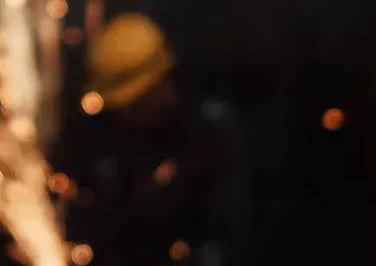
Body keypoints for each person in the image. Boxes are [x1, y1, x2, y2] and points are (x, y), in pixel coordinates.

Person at [64, 14, 249, 265]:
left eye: (133, 103)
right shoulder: (103, 137)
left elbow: (227, 232)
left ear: (158, 84)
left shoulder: (207, 135)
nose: (124, 113)